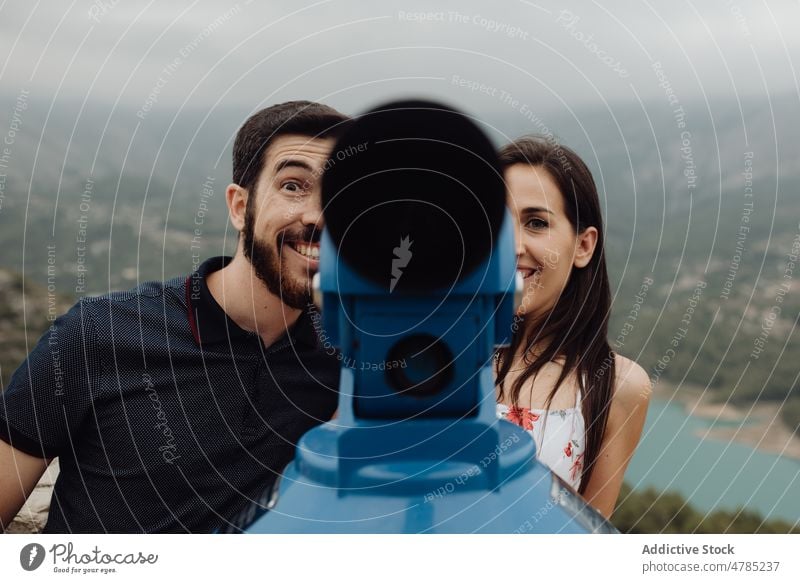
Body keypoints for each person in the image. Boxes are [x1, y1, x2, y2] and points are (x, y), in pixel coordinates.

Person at [0, 100, 349, 532]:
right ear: (240, 207)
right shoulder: (98, 334)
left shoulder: (346, 362)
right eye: (293, 185)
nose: (318, 216)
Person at [495, 136, 651, 519]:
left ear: (583, 245)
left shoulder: (619, 387)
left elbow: (588, 539)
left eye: (536, 222)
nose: (511, 245)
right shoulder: (432, 356)